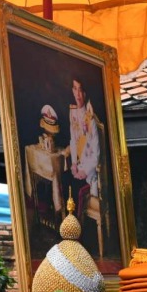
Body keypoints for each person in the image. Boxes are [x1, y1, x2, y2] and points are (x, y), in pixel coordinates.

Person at [64, 78, 101, 210]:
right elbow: (73, 141)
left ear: (85, 94)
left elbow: (96, 156)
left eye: (81, 90)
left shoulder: (90, 119)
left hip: (89, 173)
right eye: (75, 89)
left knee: (74, 189)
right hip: (77, 167)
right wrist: (74, 164)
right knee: (63, 179)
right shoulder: (73, 113)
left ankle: (76, 228)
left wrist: (84, 171)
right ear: (72, 91)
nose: (78, 94)